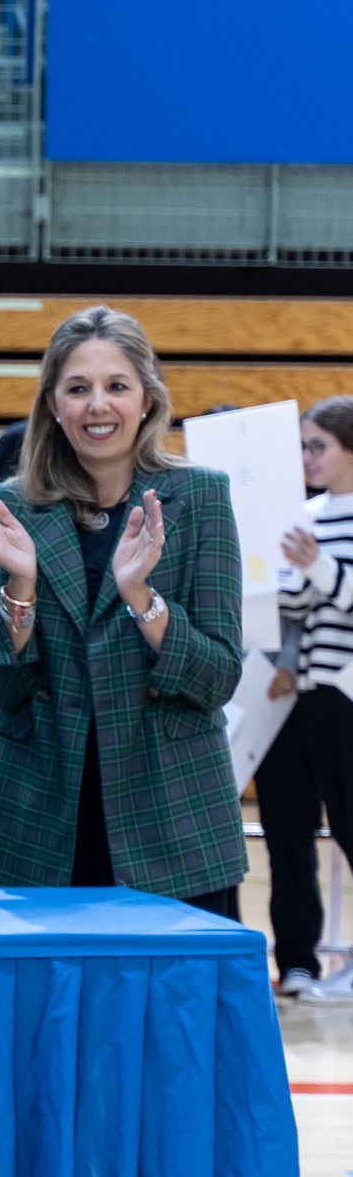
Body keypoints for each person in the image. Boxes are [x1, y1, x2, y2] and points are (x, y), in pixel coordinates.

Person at [0, 306, 245, 912]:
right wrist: (21, 586)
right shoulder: (13, 505)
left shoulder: (200, 497)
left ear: (146, 399)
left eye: (117, 386)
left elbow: (218, 675)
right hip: (42, 812)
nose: (98, 406)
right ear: (53, 406)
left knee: (171, 1005)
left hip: (170, 812)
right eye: (78, 388)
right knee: (45, 1007)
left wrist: (144, 599)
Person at [256, 395, 353, 991]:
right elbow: (293, 607)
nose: (307, 457)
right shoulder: (306, 514)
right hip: (294, 694)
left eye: (318, 446)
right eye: (302, 446)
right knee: (285, 826)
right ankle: (296, 958)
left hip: (344, 691)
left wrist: (315, 569)